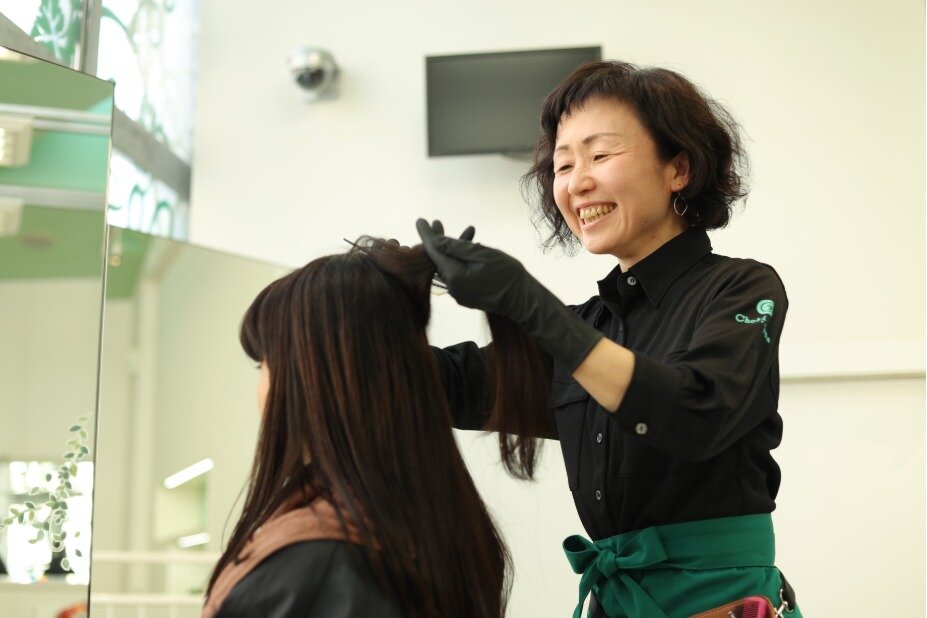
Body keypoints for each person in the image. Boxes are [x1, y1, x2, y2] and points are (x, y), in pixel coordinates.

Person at [417, 60, 802, 618]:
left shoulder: (741, 288)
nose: (576, 182)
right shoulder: (587, 326)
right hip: (617, 602)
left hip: (719, 602)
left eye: (600, 156)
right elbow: (447, 384)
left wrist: (527, 302)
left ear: (679, 169)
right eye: (563, 163)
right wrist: (365, 298)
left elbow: (696, 410)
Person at [202, 238, 513, 617]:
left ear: (308, 376)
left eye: (264, 363)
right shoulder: (440, 527)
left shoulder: (320, 565)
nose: (261, 387)